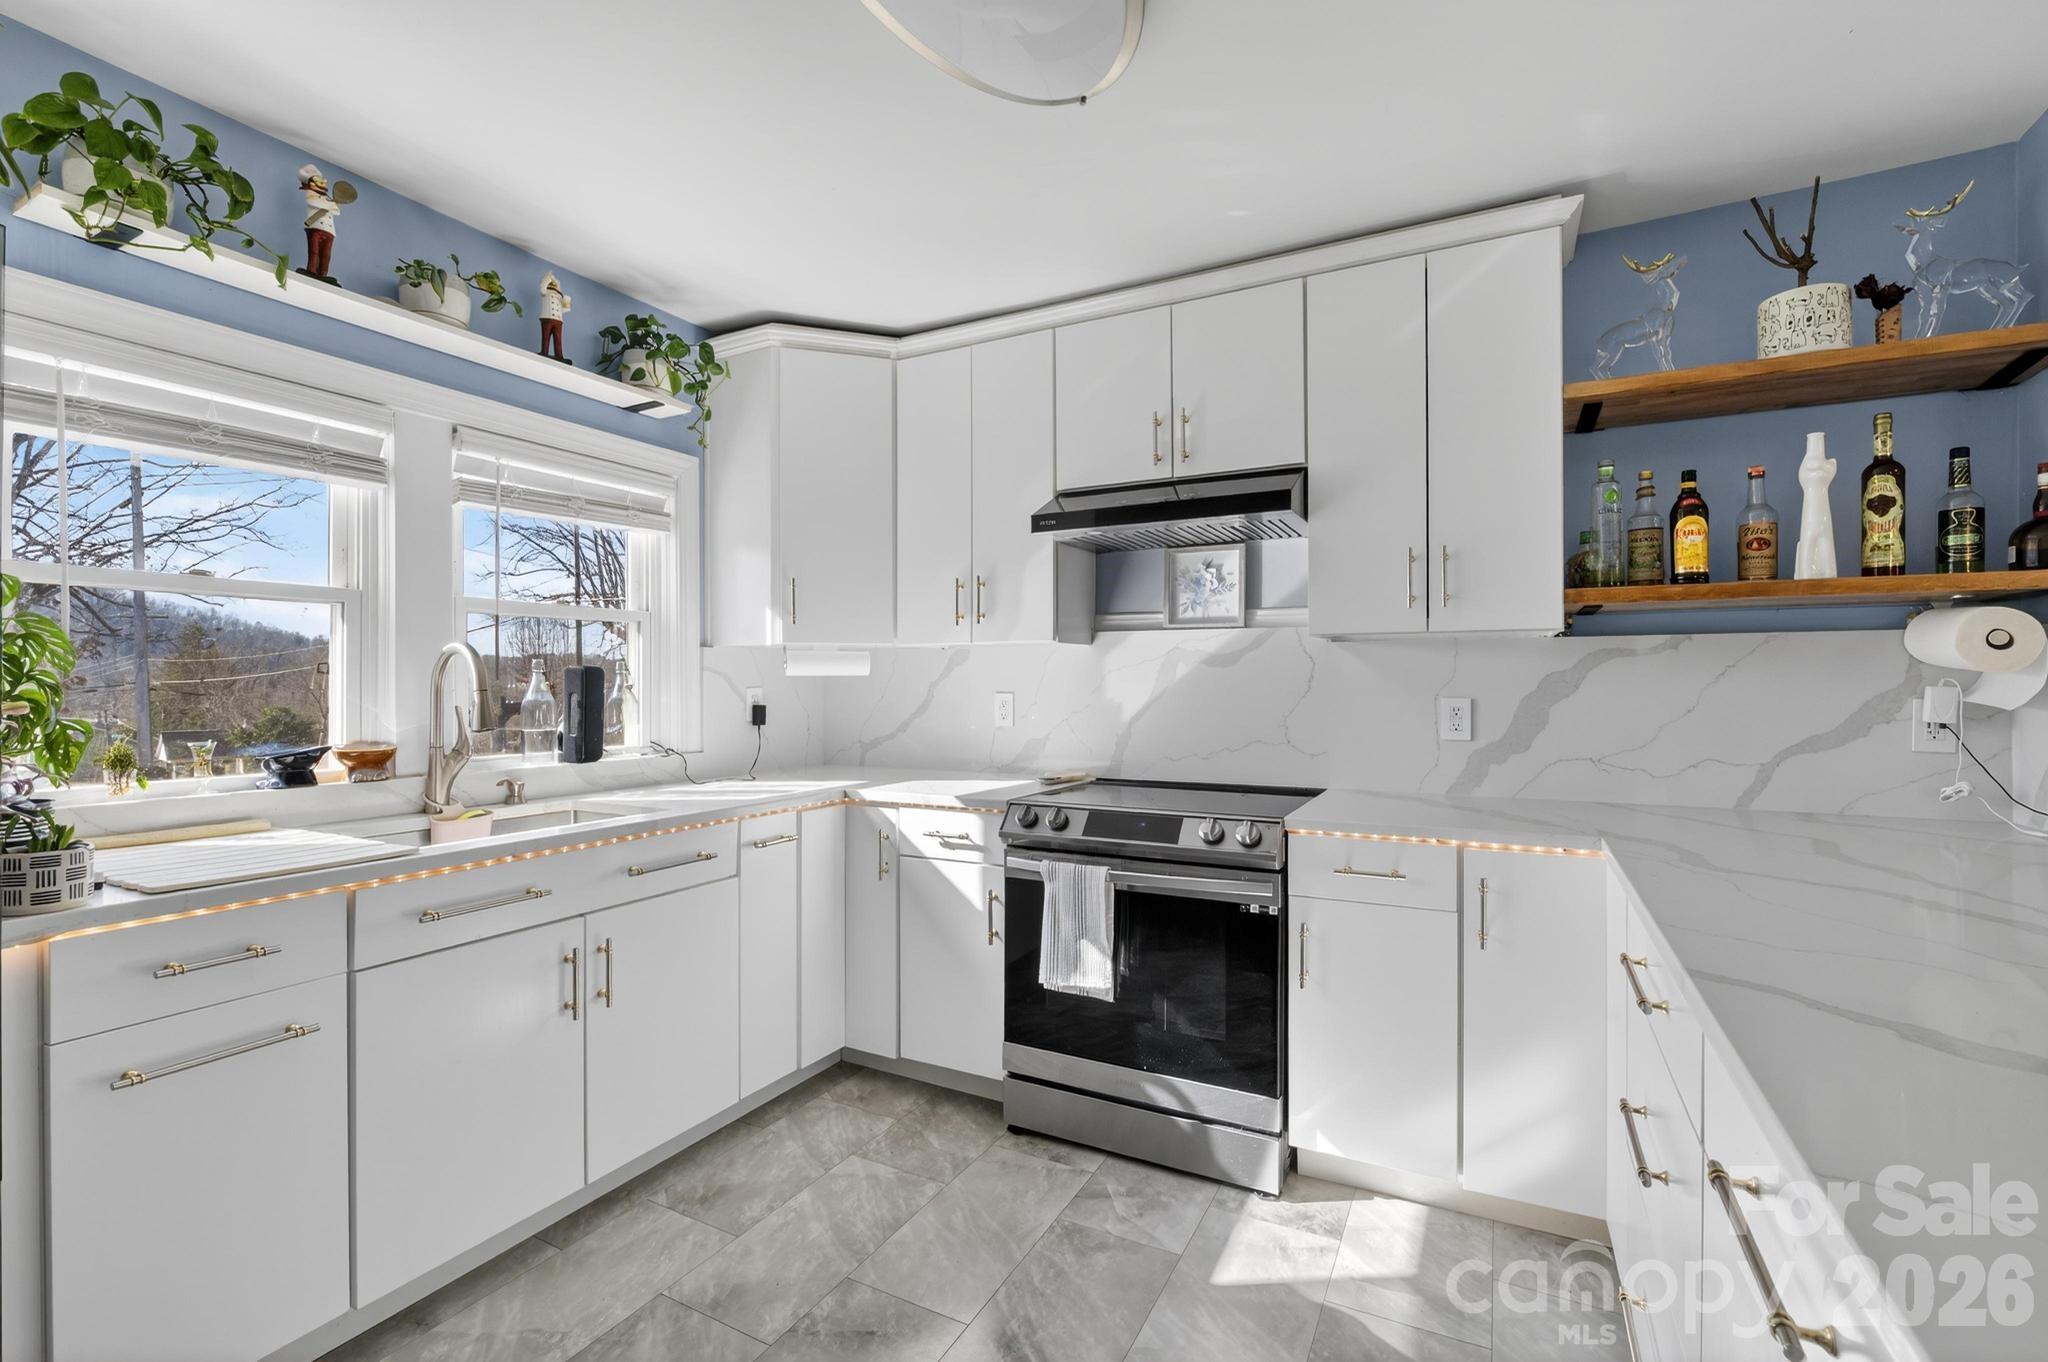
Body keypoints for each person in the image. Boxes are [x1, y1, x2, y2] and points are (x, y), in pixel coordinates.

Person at [297, 164, 339, 283]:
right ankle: (312, 271)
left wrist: (331, 205)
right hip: (315, 227)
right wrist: (330, 205)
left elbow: (337, 211)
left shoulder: (327, 199)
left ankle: (322, 274)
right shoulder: (311, 195)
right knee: (314, 251)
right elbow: (314, 203)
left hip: (329, 230)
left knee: (326, 254)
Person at [539, 271, 572, 362]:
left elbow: (562, 310)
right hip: (547, 317)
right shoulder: (546, 292)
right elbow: (543, 285)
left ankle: (559, 355)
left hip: (558, 320)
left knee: (558, 338)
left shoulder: (559, 296)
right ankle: (544, 352)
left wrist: (567, 306)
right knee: (546, 336)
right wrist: (549, 277)